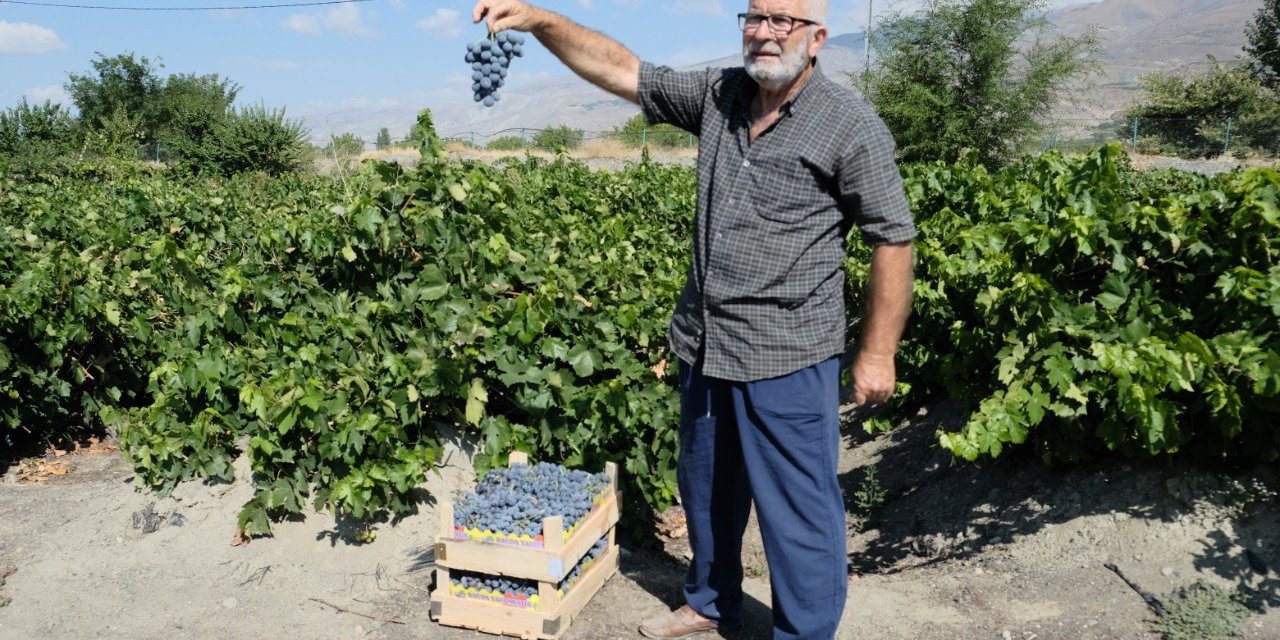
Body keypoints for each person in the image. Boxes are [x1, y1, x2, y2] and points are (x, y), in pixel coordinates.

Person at [469, 1, 916, 638]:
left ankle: (805, 632)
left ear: (816, 38)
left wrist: (878, 352)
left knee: (799, 512)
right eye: (754, 17)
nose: (764, 33)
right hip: (707, 343)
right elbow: (623, 69)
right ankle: (710, 602)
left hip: (788, 354)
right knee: (706, 491)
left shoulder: (848, 124)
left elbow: (893, 237)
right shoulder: (720, 94)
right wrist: (543, 21)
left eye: (782, 21)